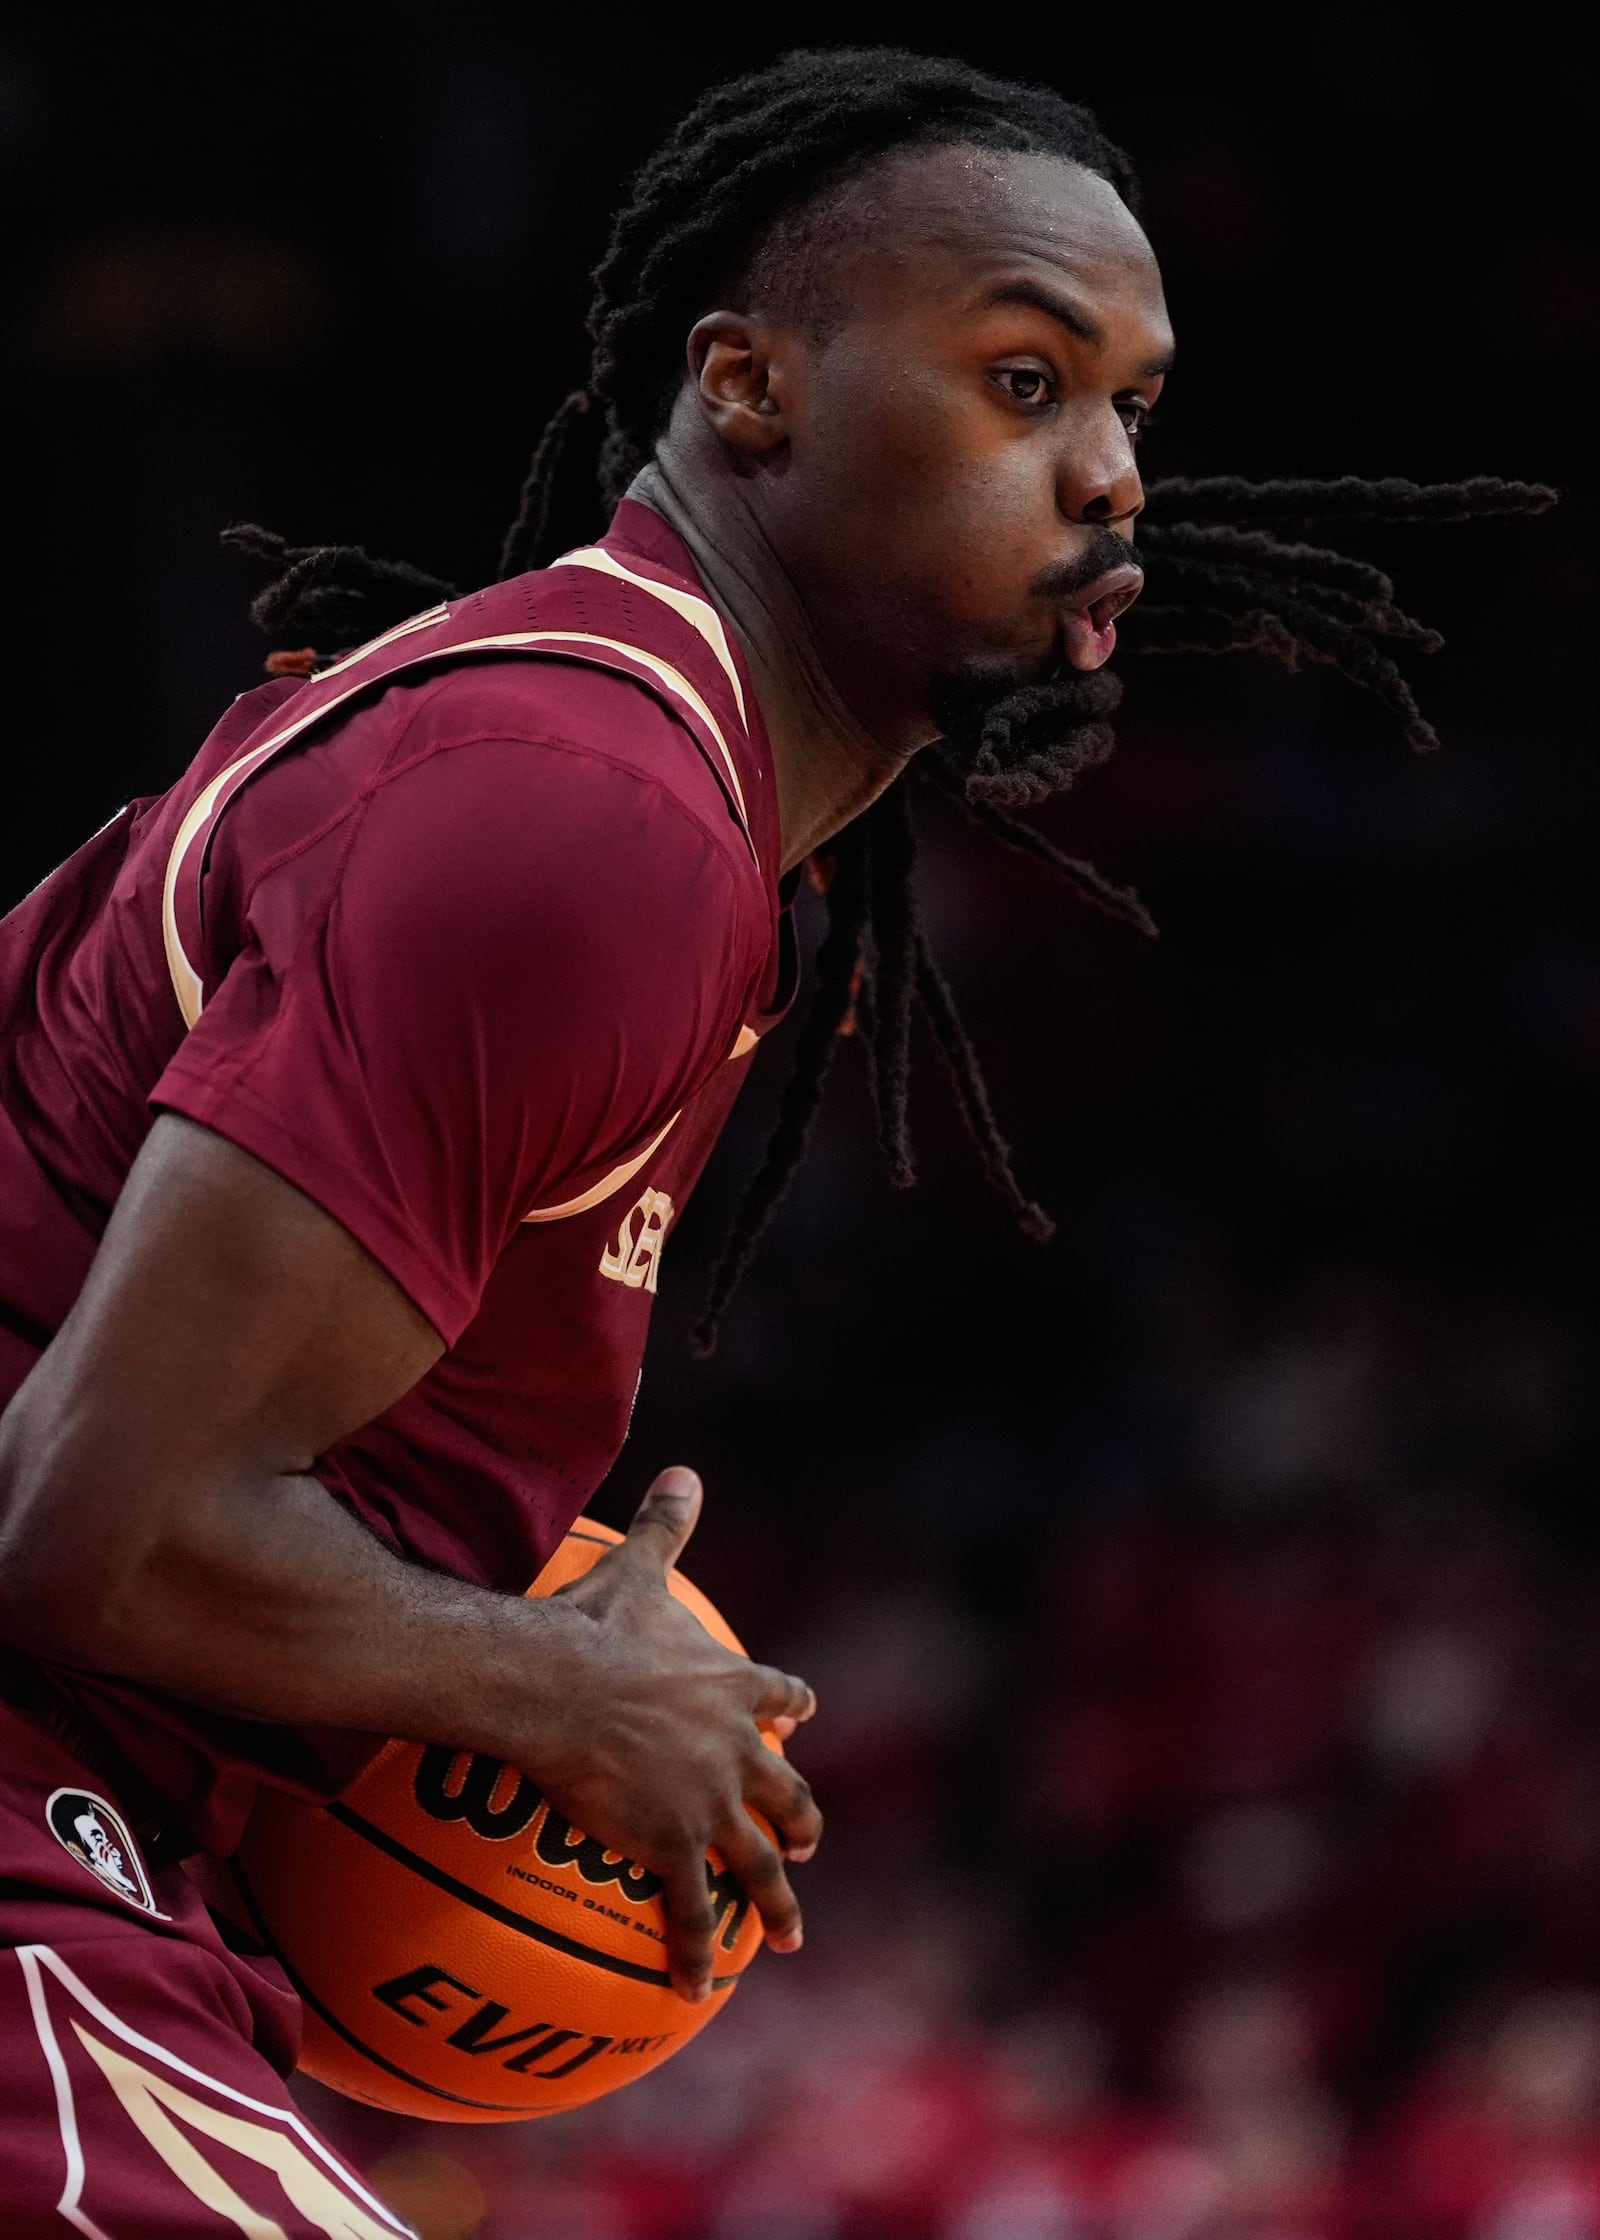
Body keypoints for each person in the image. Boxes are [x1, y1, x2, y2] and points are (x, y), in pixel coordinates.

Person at [0, 45, 1549, 2235]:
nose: (1109, 476)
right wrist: (553, 1685)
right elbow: (90, 1524)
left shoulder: (656, 798)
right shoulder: (586, 810)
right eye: (1022, 381)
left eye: (1131, 409)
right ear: (748, 386)